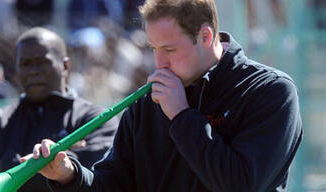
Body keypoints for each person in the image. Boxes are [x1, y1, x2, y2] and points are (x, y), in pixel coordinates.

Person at [28, 0, 303, 191]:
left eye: (169, 50)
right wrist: (69, 176)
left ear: (206, 37)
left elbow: (240, 184)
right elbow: (113, 184)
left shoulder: (270, 91)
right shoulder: (148, 102)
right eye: (153, 48)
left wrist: (182, 116)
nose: (159, 63)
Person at [0, 27, 118, 192]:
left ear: (65, 65)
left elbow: (97, 180)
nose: (33, 71)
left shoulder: (96, 119)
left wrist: (4, 166)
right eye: (25, 64)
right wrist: (65, 162)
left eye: (42, 62)